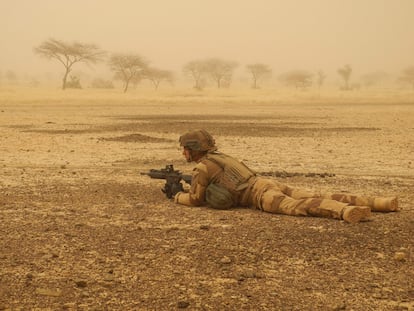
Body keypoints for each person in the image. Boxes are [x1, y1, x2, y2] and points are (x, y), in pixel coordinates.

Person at [173, 129, 398, 223]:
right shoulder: (219, 157)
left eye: (185, 148)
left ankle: (346, 211)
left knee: (302, 206)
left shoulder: (203, 167)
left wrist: (176, 196)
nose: (183, 152)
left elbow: (196, 200)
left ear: (194, 148)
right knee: (318, 193)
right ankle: (381, 203)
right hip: (265, 183)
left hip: (260, 195)